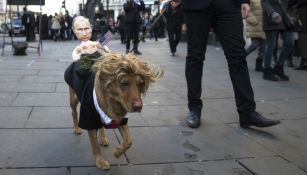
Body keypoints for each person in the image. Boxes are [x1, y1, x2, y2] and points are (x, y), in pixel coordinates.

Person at [182, 0, 281, 128]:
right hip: (197, 5)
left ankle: (247, 112)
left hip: (228, 5)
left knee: (238, 56)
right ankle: (194, 109)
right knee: (195, 57)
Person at [261, 0, 294, 81]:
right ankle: (267, 70)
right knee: (271, 45)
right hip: (272, 18)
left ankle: (279, 67)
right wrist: (272, 12)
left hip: (286, 19)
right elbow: (264, 2)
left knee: (290, 43)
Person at [245, 0, 265, 71]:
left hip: (264, 26)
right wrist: (254, 20)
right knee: (254, 45)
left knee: (263, 46)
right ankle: (240, 58)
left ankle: (259, 65)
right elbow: (245, 10)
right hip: (255, 25)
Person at [289, 0, 307, 70]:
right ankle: (303, 62)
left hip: (303, 21)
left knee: (303, 42)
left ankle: (304, 62)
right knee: (302, 42)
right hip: (301, 19)